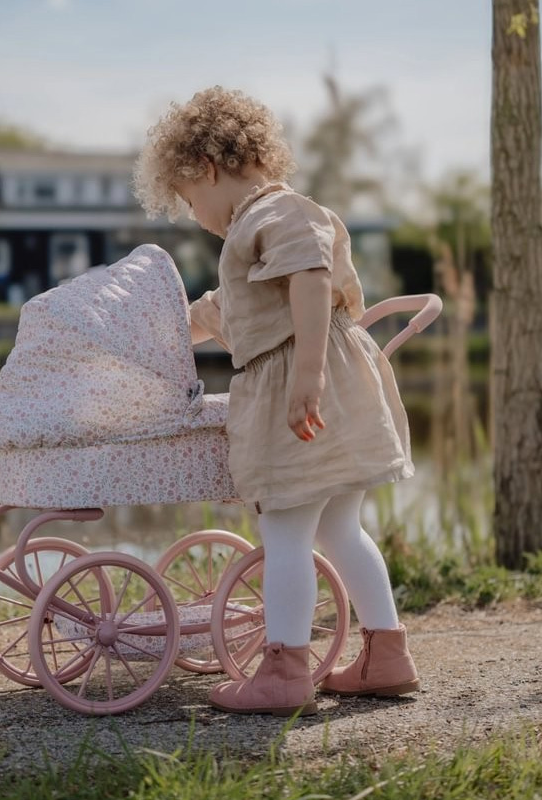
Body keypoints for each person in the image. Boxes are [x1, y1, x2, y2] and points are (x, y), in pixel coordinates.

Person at [133, 86, 419, 716]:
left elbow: (313, 282)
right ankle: (386, 654)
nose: (194, 214)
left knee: (286, 530)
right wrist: (145, 341)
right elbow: (217, 313)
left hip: (307, 390)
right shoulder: (254, 237)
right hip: (326, 391)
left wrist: (308, 376)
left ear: (207, 169)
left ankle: (285, 671)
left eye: (189, 200)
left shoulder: (274, 216)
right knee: (342, 527)